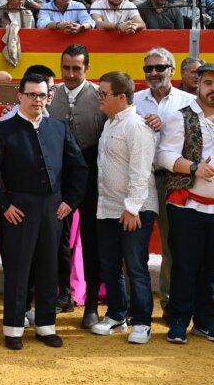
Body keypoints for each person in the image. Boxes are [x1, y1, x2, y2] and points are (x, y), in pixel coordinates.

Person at [0, 72, 86, 349]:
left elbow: (79, 168)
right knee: (18, 268)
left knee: (49, 267)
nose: (38, 100)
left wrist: (70, 201)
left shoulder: (59, 128)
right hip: (19, 207)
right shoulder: (3, 130)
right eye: (32, 95)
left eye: (42, 95)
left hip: (53, 207)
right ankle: (13, 328)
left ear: (49, 98)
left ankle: (46, 326)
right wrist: (4, 206)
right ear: (20, 96)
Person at [158, 62, 214, 344]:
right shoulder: (179, 117)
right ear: (199, 84)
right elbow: (164, 155)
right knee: (184, 265)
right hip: (187, 205)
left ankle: (205, 321)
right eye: (208, 83)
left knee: (213, 267)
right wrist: (193, 167)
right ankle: (179, 319)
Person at [89, 71, 159, 344]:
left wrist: (132, 208)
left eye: (104, 94)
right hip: (107, 207)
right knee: (110, 265)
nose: (100, 98)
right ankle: (117, 315)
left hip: (135, 210)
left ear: (121, 97)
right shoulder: (110, 124)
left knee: (136, 267)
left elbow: (141, 171)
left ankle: (142, 322)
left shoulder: (137, 126)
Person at [135, 47, 195, 317]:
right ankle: (135, 304)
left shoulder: (189, 101)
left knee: (174, 244)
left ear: (172, 70)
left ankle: (170, 302)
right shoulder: (134, 100)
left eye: (160, 68)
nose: (154, 73)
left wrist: (167, 126)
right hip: (142, 178)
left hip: (175, 180)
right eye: (149, 68)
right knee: (135, 245)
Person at [49, 44, 106, 324]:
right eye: (66, 68)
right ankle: (62, 293)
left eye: (76, 68)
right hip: (59, 173)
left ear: (87, 69)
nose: (70, 74)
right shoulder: (51, 95)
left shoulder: (99, 95)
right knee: (57, 236)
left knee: (93, 238)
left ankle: (92, 302)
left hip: (93, 171)